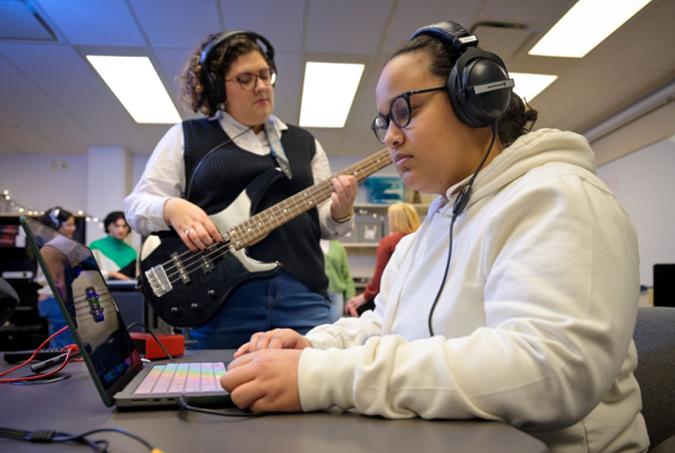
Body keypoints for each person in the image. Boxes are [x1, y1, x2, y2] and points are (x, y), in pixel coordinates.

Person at [220, 21, 649, 452]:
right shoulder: (429, 231)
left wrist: (323, 378)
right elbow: (385, 325)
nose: (389, 135)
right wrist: (312, 347)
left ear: (475, 99)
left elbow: (551, 372)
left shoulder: (562, 199)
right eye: (384, 121)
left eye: (404, 111)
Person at [123, 30, 357, 349]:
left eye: (265, 74)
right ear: (219, 87)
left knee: (315, 390)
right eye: (245, 79)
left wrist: (340, 211)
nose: (261, 86)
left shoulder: (305, 143)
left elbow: (324, 226)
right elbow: (137, 206)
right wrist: (172, 208)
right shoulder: (186, 137)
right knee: (216, 392)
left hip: (303, 297)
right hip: (221, 302)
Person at [345, 202, 420, 317]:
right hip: (415, 298)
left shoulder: (389, 243)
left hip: (392, 300)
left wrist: (364, 297)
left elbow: (380, 279)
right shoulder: (420, 240)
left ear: (395, 220)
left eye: (389, 218)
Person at [35, 206, 77, 348]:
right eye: (69, 224)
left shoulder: (51, 245)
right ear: (56, 225)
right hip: (56, 300)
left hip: (50, 300)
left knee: (59, 343)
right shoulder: (56, 246)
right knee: (65, 347)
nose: (73, 228)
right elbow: (59, 282)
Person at [88, 211, 136, 280]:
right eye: (117, 226)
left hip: (128, 290)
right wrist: (111, 274)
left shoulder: (132, 252)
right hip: (103, 289)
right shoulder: (95, 247)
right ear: (108, 226)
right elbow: (89, 273)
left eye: (124, 226)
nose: (121, 230)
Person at [320, 239, 355, 321]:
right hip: (318, 295)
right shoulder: (311, 244)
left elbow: (346, 274)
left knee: (335, 326)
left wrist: (350, 298)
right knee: (320, 327)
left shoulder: (338, 247)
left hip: (336, 295)